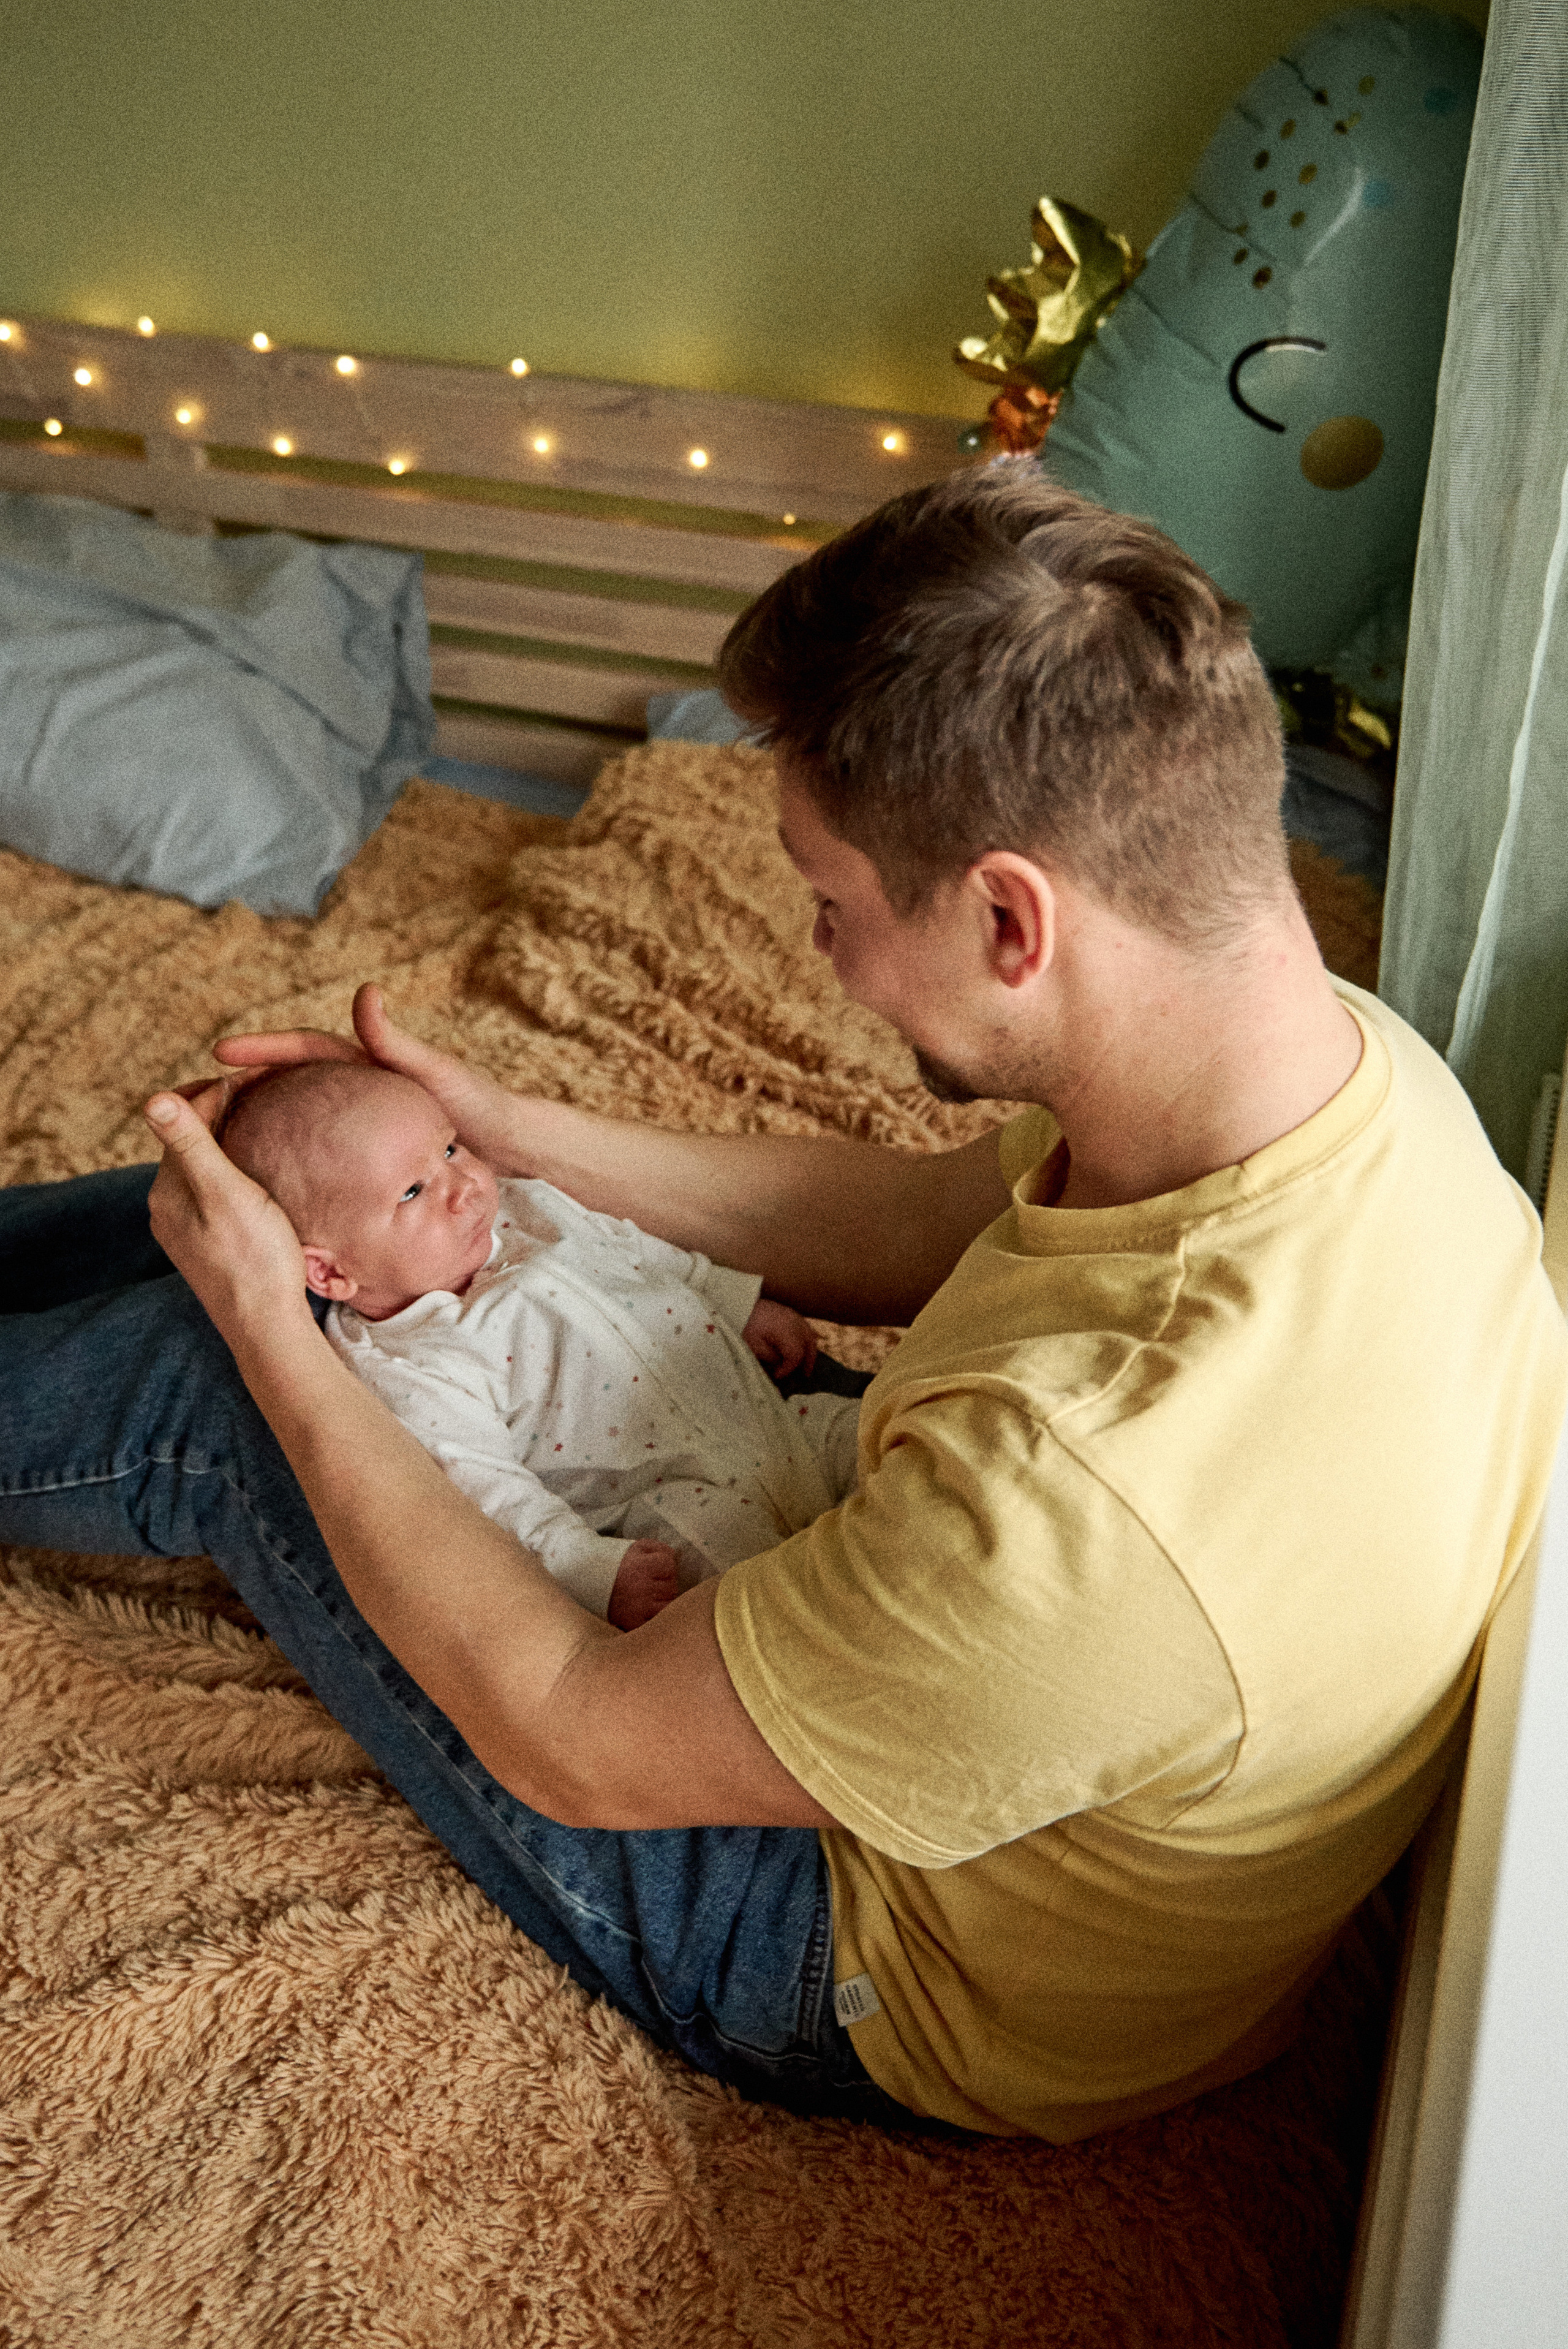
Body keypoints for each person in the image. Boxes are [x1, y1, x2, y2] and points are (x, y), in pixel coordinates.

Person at [2, 466, 1563, 2140]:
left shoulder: (1088, 1507)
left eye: (829, 903)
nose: (819, 951)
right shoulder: (1341, 1081)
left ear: (1009, 917)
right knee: (289, 1208)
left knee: (263, 1367)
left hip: (873, 1949)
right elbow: (926, 1216)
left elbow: (573, 1735)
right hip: (990, 1703)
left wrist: (271, 1331)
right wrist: (507, 1141)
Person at [217, 1058, 859, 1630]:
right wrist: (585, 1566)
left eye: (449, 1149)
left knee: (893, 1433)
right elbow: (489, 1494)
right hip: (673, 1500)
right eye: (413, 1192)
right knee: (764, 1595)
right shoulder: (409, 1364)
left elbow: (633, 1250)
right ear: (330, 1272)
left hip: (779, 1421)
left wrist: (732, 1299)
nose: (464, 1186)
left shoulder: (525, 1212)